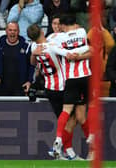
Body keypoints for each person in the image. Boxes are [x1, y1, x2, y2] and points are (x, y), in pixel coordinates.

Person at [27, 23, 89, 160]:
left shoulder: (34, 48)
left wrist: (33, 54)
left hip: (49, 88)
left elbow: (32, 63)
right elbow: (69, 52)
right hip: (62, 86)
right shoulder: (52, 45)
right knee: (72, 118)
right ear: (42, 32)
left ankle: (68, 151)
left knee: (67, 119)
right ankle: (59, 148)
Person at [49, 14, 91, 159]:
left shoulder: (57, 38)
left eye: (58, 24)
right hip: (84, 77)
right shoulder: (83, 32)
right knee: (79, 116)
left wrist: (69, 54)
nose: (57, 27)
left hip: (70, 79)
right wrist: (78, 53)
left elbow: (52, 48)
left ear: (62, 25)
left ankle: (59, 140)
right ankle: (89, 145)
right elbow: (90, 49)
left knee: (70, 113)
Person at [0, 22, 34, 96]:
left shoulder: (26, 46)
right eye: (10, 30)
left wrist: (29, 81)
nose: (12, 32)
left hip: (20, 87)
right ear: (6, 31)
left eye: (15, 30)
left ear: (18, 32)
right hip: (1, 87)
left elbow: (31, 65)